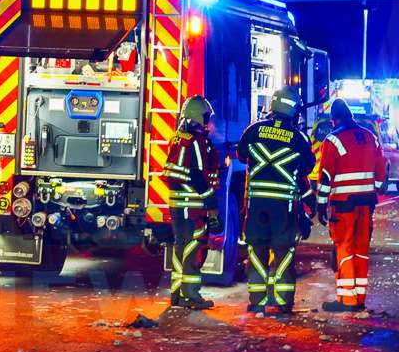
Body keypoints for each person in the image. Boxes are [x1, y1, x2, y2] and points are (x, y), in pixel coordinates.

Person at [236, 88, 311, 315]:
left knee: (256, 250)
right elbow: (307, 167)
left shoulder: (253, 130)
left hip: (256, 205)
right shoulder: (299, 138)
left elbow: (241, 155)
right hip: (283, 208)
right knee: (284, 253)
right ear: (293, 110)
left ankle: (256, 301)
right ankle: (282, 302)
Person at [315, 97, 385, 314]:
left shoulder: (333, 140)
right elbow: (381, 173)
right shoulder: (370, 137)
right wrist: (373, 190)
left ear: (334, 119)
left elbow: (326, 176)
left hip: (343, 205)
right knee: (361, 249)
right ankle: (360, 297)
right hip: (367, 203)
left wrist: (320, 205)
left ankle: (347, 300)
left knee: (344, 249)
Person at [163, 95, 220, 310]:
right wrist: (211, 203)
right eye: (207, 117)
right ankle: (191, 295)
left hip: (178, 204)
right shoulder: (196, 141)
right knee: (193, 248)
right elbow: (197, 175)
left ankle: (177, 294)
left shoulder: (179, 137)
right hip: (191, 205)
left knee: (180, 247)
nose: (209, 122)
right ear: (199, 116)